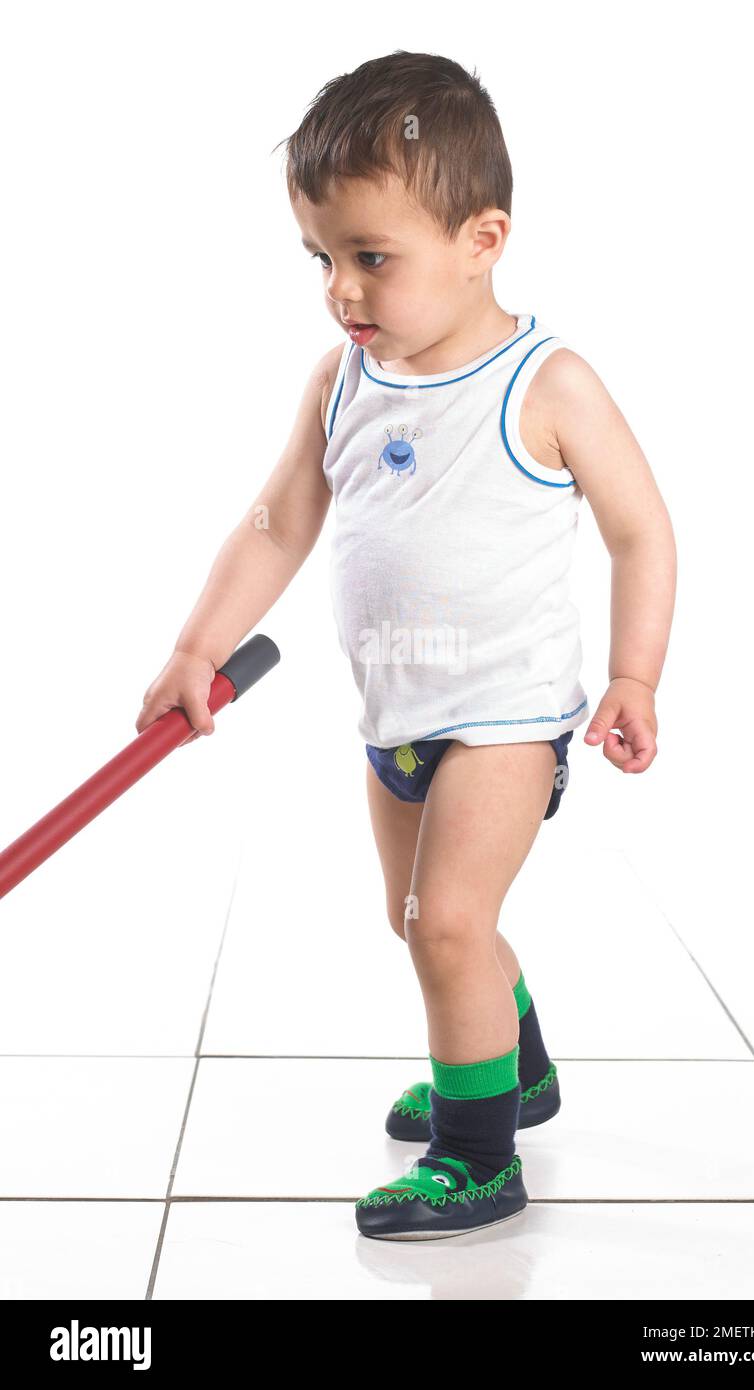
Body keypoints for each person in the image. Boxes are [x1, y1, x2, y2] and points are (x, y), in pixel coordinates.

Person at [135, 50, 677, 1241]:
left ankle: (478, 1153)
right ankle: (514, 1067)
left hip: (506, 717)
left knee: (445, 922)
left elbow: (641, 533)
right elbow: (278, 519)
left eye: (372, 257)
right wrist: (196, 644)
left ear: (483, 238)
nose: (340, 288)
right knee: (426, 919)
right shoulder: (343, 379)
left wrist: (634, 673)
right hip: (396, 718)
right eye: (322, 257)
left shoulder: (547, 383)